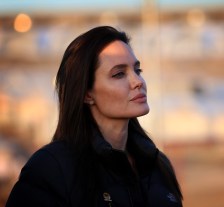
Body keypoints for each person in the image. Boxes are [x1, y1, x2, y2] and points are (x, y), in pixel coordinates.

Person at [6, 26, 183, 207]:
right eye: (119, 74)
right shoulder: (51, 168)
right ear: (87, 94)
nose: (138, 82)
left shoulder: (158, 166)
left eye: (137, 70)